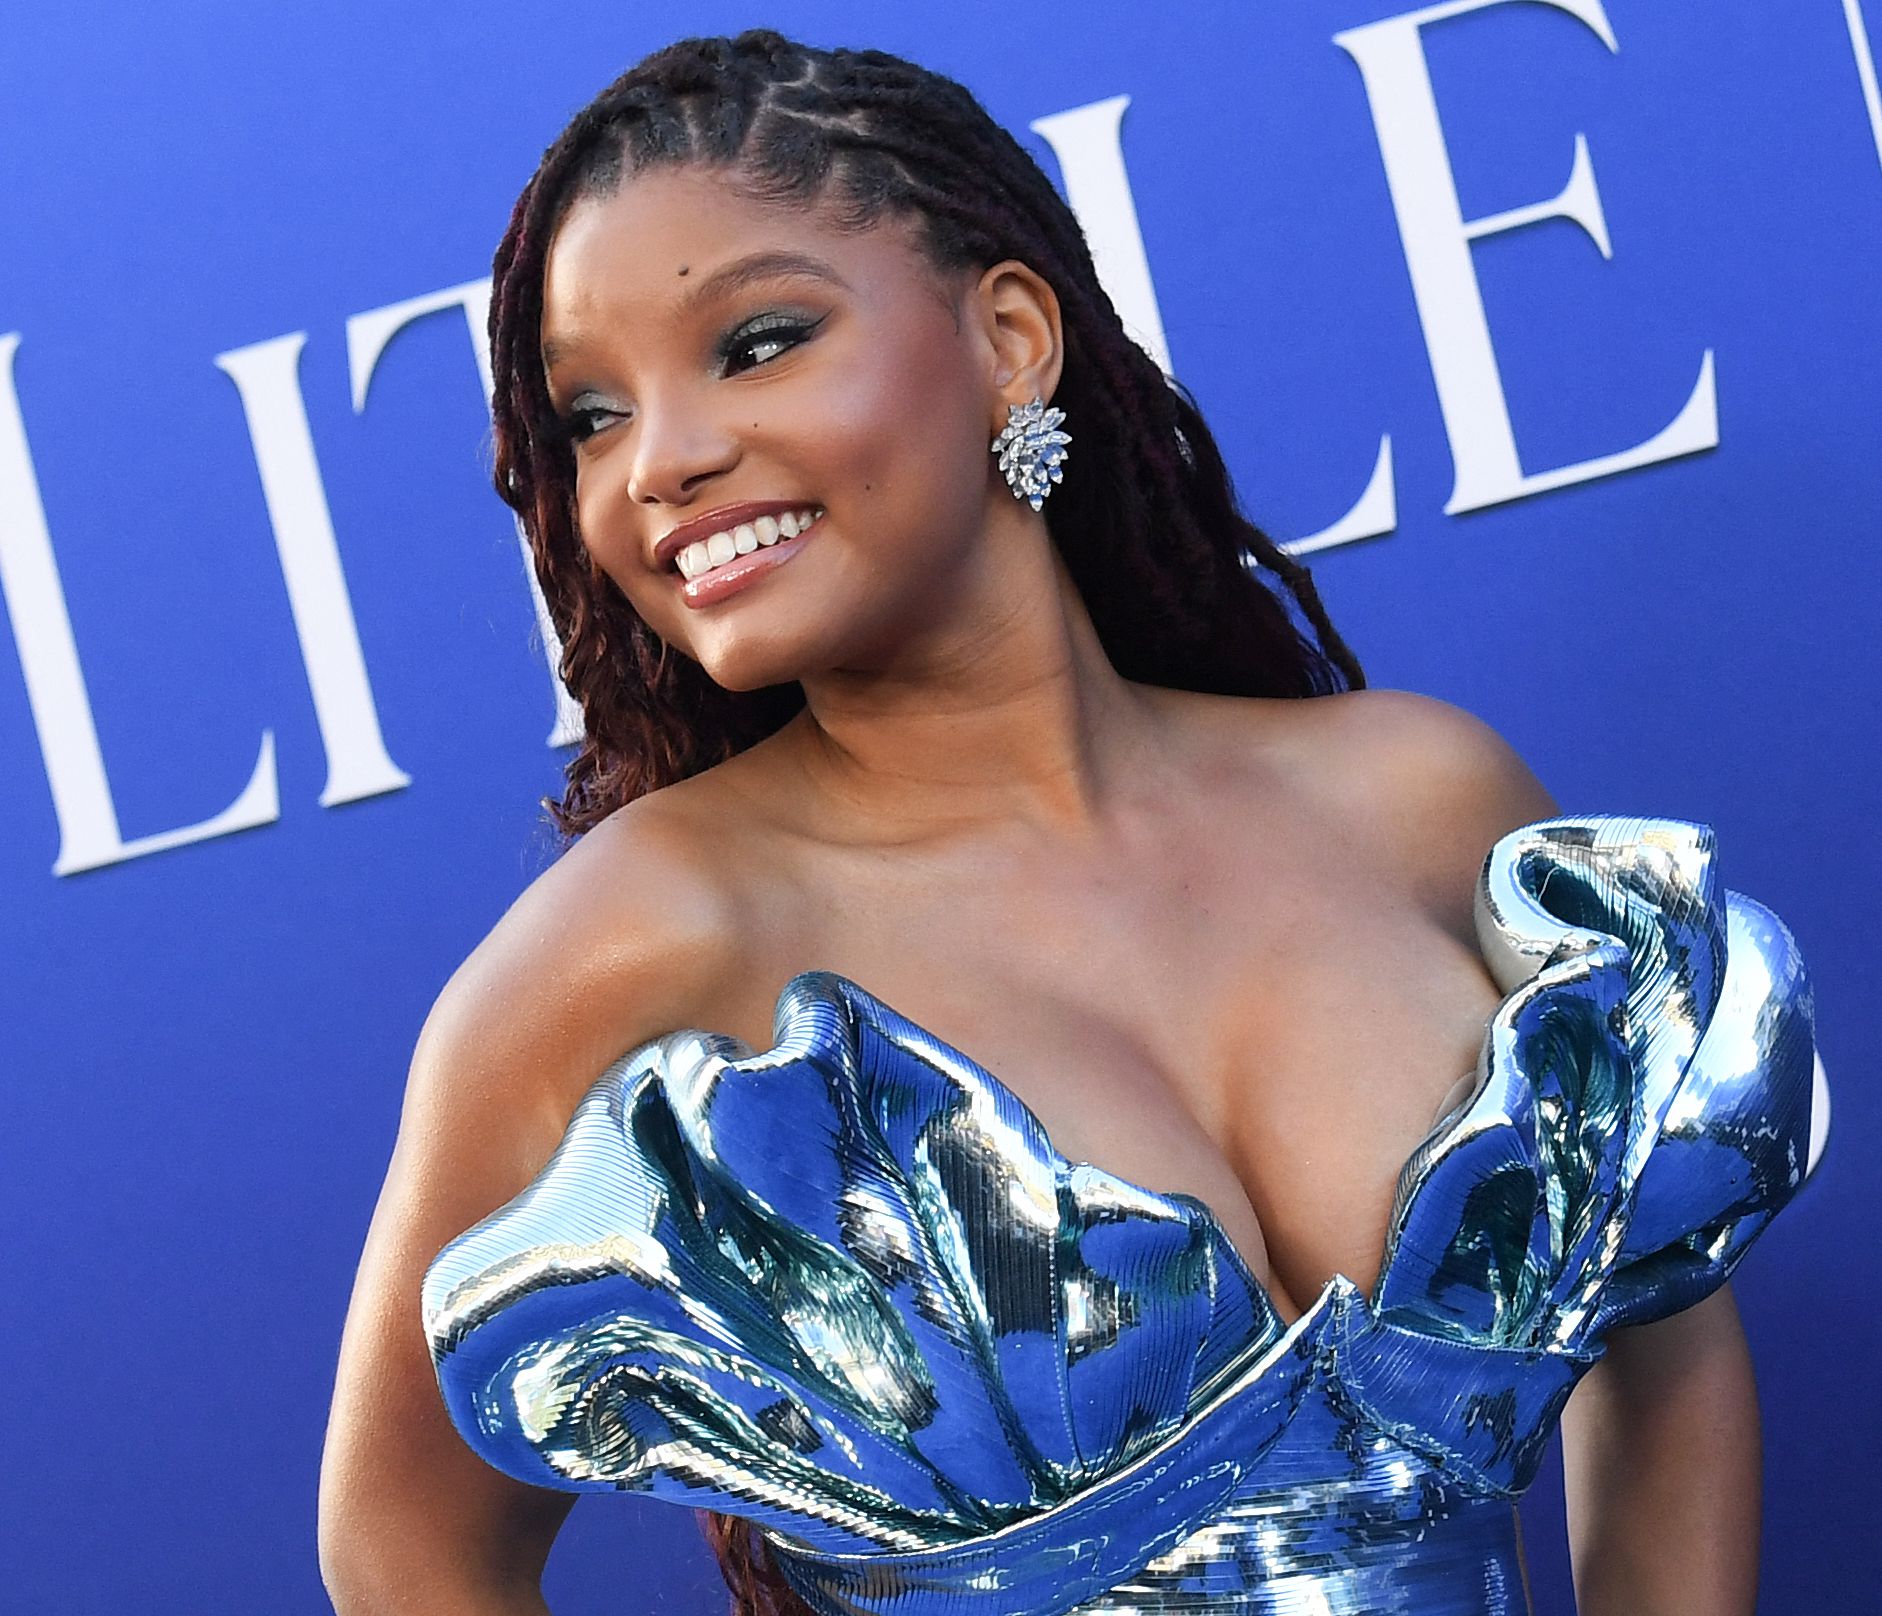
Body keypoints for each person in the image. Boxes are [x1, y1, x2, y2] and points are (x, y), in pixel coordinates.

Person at [318, 30, 1819, 1616]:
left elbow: (1663, 1342)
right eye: (589, 415)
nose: (661, 463)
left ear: (1010, 340)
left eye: (754, 341)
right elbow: (403, 1544)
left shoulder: (1418, 802)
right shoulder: (632, 947)